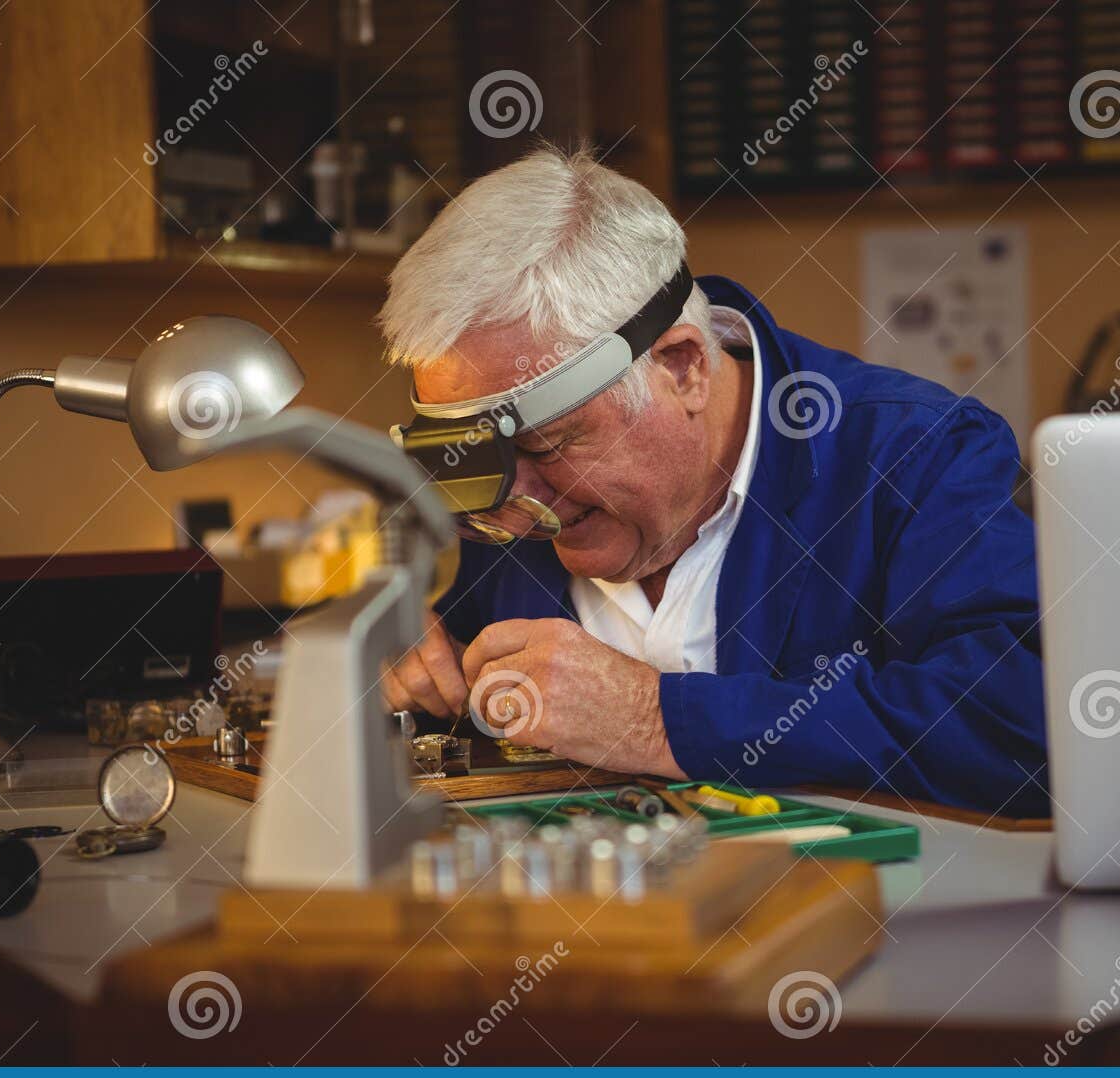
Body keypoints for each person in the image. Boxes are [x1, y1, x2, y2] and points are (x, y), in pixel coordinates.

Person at [377, 147, 1048, 816]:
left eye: (551, 442)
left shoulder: (913, 456)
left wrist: (655, 718)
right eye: (477, 464)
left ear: (683, 367)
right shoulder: (514, 510)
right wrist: (402, 666)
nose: (519, 513)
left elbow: (1020, 723)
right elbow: (436, 662)